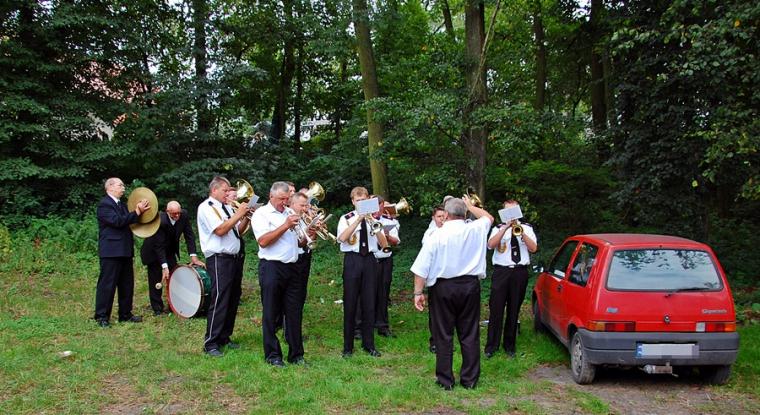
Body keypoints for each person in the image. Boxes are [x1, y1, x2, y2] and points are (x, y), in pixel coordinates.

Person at [411, 196, 493, 390]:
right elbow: (489, 217)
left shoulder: (436, 235)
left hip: (443, 288)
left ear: (446, 214)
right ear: (465, 213)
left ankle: (445, 380)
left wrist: (418, 293)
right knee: (470, 333)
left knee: (443, 334)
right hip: (470, 286)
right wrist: (471, 206)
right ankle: (470, 380)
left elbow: (421, 268)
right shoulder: (476, 229)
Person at [250, 182, 305, 366]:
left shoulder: (289, 212)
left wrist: (309, 234)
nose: (284, 202)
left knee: (294, 312)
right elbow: (263, 241)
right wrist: (285, 225)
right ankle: (273, 355)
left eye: (287, 199)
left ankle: (296, 355)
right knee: (271, 312)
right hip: (272, 267)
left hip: (293, 267)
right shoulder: (261, 214)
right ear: (271, 196)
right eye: (281, 199)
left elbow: (300, 242)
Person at [197, 176, 250, 357]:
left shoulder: (226, 207)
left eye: (229, 191)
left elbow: (237, 232)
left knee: (233, 298)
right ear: (214, 190)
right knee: (220, 298)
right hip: (219, 258)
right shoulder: (207, 207)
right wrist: (239, 214)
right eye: (225, 190)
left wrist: (247, 217)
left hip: (233, 258)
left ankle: (224, 336)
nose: (228, 194)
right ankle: (211, 342)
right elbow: (220, 230)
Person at [337, 187, 388, 358]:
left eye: (364, 200)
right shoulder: (346, 218)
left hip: (370, 261)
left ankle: (369, 344)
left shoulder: (374, 219)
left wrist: (374, 224)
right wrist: (358, 219)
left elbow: (384, 244)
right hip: (353, 260)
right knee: (350, 302)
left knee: (369, 302)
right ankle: (347, 347)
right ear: (353, 201)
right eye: (358, 201)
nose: (361, 203)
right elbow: (342, 238)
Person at [94, 177, 151, 327]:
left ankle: (125, 314)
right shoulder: (104, 204)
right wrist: (137, 211)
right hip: (111, 252)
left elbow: (129, 220)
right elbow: (117, 221)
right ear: (110, 187)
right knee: (107, 285)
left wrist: (141, 212)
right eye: (120, 185)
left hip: (125, 250)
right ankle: (102, 316)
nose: (123, 188)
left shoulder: (122, 205)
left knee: (127, 284)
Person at [484, 200, 538, 358]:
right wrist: (506, 227)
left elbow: (533, 248)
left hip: (519, 272)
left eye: (513, 210)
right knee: (496, 309)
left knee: (514, 310)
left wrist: (521, 233)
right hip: (501, 272)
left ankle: (509, 346)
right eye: (507, 211)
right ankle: (491, 346)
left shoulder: (527, 228)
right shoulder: (497, 228)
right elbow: (490, 245)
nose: (511, 214)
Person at [140, 201, 205, 316]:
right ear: (167, 211)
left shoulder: (183, 215)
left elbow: (189, 235)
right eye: (174, 214)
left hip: (169, 250)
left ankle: (173, 305)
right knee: (156, 278)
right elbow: (159, 246)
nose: (177, 216)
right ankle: (157, 308)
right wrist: (164, 267)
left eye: (178, 213)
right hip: (153, 251)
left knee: (174, 275)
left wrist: (193, 256)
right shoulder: (160, 220)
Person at [372, 196, 400, 337]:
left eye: (379, 206)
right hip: (370, 259)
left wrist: (388, 236)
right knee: (366, 293)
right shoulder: (364, 220)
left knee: (383, 292)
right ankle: (362, 325)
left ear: (383, 206)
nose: (376, 209)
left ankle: (382, 325)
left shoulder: (389, 221)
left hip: (384, 259)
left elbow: (396, 242)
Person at [421, 205, 446, 352]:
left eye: (444, 216)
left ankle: (446, 341)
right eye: (439, 216)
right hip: (436, 277)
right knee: (435, 312)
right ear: (433, 218)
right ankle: (435, 341)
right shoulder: (430, 234)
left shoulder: (452, 232)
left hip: (449, 276)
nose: (442, 219)